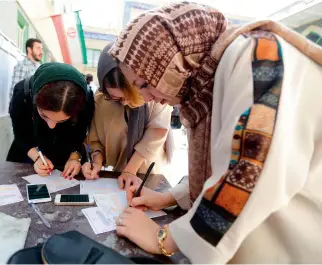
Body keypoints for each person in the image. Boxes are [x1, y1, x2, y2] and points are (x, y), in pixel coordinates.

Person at [108, 2, 322, 263]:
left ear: (170, 61)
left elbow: (250, 171)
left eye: (144, 83)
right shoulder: (208, 85)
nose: (145, 96)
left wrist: (165, 238)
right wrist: (168, 198)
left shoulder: (259, 55)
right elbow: (220, 164)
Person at [81, 43, 174, 189]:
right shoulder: (101, 100)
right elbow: (94, 139)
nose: (125, 103)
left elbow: (156, 133)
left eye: (130, 96)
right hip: (115, 176)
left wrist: (130, 170)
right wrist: (97, 162)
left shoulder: (154, 95)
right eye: (115, 97)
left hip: (145, 173)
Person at [7, 62, 94, 179]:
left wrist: (75, 157)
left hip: (67, 160)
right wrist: (37, 157)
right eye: (44, 116)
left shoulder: (86, 99)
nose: (51, 126)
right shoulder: (23, 93)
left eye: (62, 121)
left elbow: (81, 133)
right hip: (27, 155)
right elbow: (21, 134)